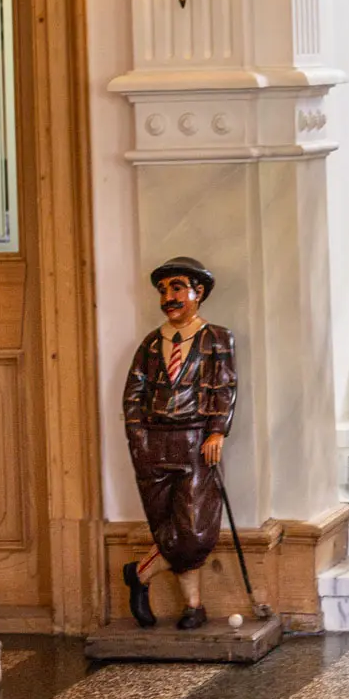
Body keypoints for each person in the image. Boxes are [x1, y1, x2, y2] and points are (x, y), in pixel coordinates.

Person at [121, 256, 237, 630]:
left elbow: (225, 385)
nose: (168, 297)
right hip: (154, 444)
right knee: (165, 528)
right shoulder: (151, 344)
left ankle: (139, 573)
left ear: (197, 292)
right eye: (163, 290)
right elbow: (133, 396)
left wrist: (217, 429)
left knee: (194, 531)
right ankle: (194, 606)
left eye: (176, 288)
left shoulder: (216, 338)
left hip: (193, 443)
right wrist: (139, 442)